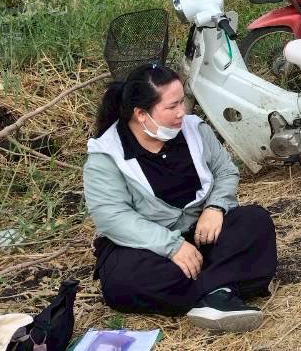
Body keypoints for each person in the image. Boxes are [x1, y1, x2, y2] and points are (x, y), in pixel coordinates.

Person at [84, 64, 277, 332]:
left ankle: (204, 291)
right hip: (149, 246)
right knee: (121, 279)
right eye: (172, 106)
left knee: (256, 221)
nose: (181, 112)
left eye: (182, 102)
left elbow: (225, 171)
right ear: (141, 114)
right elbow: (112, 217)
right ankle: (222, 288)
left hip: (204, 233)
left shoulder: (195, 130)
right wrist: (171, 246)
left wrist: (215, 207)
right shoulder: (107, 155)